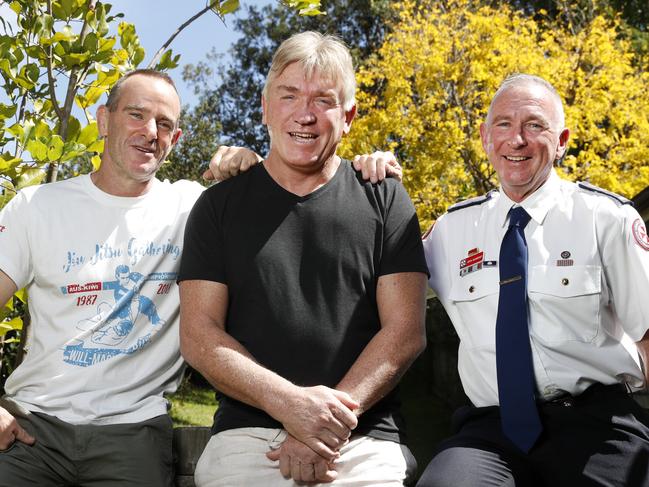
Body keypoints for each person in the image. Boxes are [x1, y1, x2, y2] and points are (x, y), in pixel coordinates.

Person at [178, 31, 429, 486]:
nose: (305, 114)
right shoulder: (218, 206)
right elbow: (198, 335)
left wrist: (324, 422)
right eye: (289, 95)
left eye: (324, 100)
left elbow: (405, 331)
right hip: (247, 435)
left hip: (362, 435)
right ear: (265, 106)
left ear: (348, 116)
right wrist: (290, 405)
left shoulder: (386, 199)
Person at [0, 69, 263, 486]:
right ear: (104, 120)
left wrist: (248, 168)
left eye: (164, 124)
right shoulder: (37, 205)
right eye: (136, 115)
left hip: (132, 434)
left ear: (175, 141)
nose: (150, 132)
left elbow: (279, 210)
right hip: (33, 429)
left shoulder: (193, 209)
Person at [418, 74, 649, 486]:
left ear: (561, 140)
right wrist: (371, 179)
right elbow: (375, 272)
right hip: (492, 430)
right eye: (503, 125)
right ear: (486, 138)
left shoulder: (607, 219)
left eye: (534, 125)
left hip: (599, 423)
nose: (517, 139)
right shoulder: (450, 232)